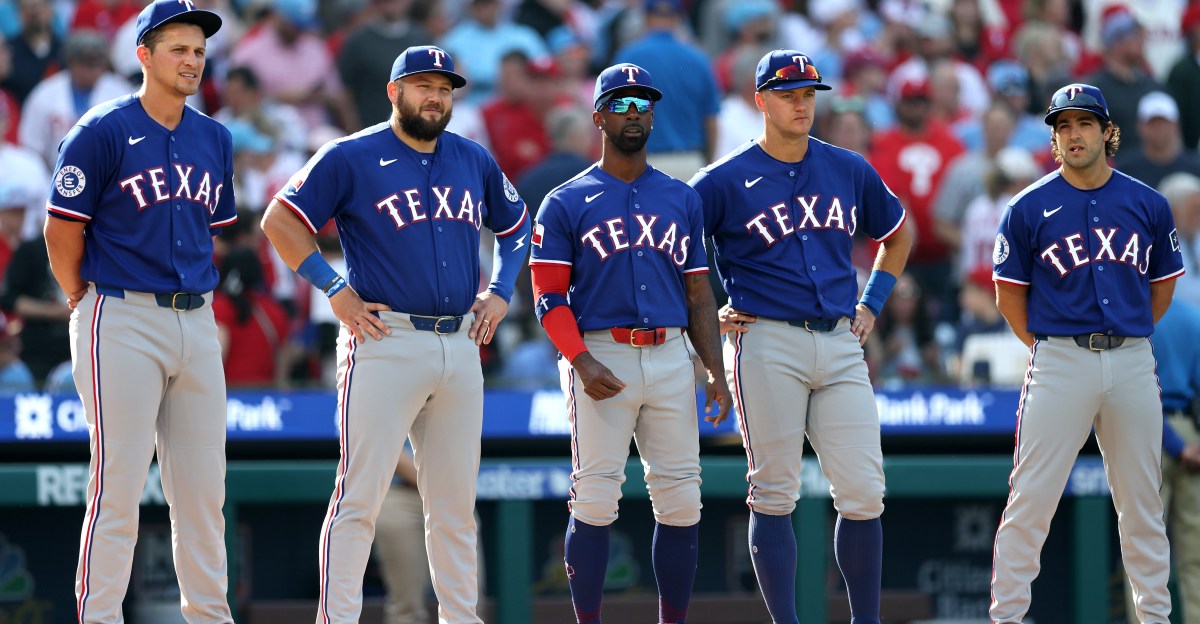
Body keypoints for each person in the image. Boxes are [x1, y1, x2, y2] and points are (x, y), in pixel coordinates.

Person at [259, 44, 530, 623]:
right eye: (423, 85)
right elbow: (280, 220)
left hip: (460, 341)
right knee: (359, 498)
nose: (436, 97)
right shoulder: (351, 154)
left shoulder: (472, 157)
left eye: (444, 89)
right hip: (385, 338)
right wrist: (333, 287)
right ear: (394, 91)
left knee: (455, 507)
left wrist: (503, 289)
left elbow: (516, 226)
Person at [689, 50, 913, 624]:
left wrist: (872, 302)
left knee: (864, 492)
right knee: (774, 491)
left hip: (840, 338)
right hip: (767, 340)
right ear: (760, 101)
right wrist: (706, 314)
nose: (801, 104)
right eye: (788, 95)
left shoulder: (847, 167)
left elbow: (897, 234)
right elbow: (673, 250)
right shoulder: (722, 178)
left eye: (809, 94)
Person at [42, 0, 235, 620]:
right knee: (118, 489)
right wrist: (81, 296)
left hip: (196, 320)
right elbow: (61, 231)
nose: (192, 60)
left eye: (199, 51)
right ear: (143, 55)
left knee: (203, 497)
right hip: (121, 314)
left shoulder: (215, 138)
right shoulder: (100, 130)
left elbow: (211, 231)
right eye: (178, 49)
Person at [528, 62, 732, 624]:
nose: (634, 113)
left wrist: (714, 370)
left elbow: (699, 294)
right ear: (598, 117)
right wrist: (580, 359)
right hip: (602, 351)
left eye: (643, 103)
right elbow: (547, 296)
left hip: (671, 353)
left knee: (682, 500)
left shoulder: (681, 198)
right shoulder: (565, 201)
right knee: (595, 497)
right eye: (620, 104)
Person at [990, 82, 1184, 624]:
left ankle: (1155, 619)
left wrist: (1127, 336)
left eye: (1084, 123)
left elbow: (1162, 288)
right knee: (1030, 500)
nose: (1073, 134)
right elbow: (1008, 296)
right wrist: (1051, 349)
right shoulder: (1027, 206)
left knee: (1143, 505)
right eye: (1063, 126)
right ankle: (1006, 618)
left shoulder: (1148, 203)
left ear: (1107, 131)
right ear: (1054, 138)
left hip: (1132, 358)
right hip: (1060, 359)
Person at [1124, 299, 1200, 624]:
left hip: (1145, 431)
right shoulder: (1193, 317)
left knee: (1144, 554)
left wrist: (1175, 445)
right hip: (1189, 433)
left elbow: (1129, 387)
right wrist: (1185, 445)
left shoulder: (1133, 316)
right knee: (1195, 557)